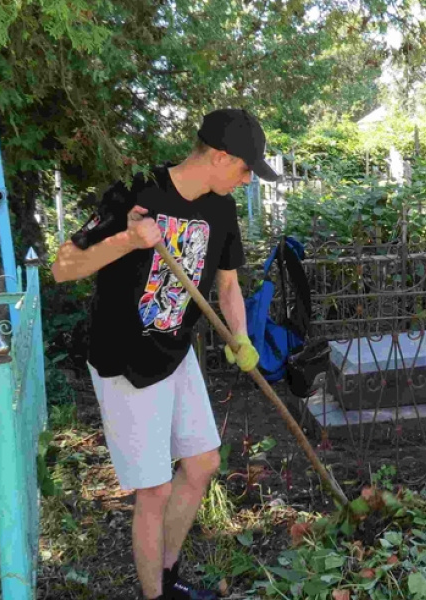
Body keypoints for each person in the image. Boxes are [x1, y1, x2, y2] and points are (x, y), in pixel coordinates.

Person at [53, 109, 280, 599]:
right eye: (245, 169)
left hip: (175, 352)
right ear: (220, 157)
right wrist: (128, 239)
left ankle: (168, 577)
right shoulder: (137, 195)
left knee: (201, 464)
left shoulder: (221, 209)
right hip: (125, 360)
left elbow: (227, 284)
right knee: (153, 490)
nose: (246, 181)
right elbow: (63, 267)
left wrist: (240, 336)